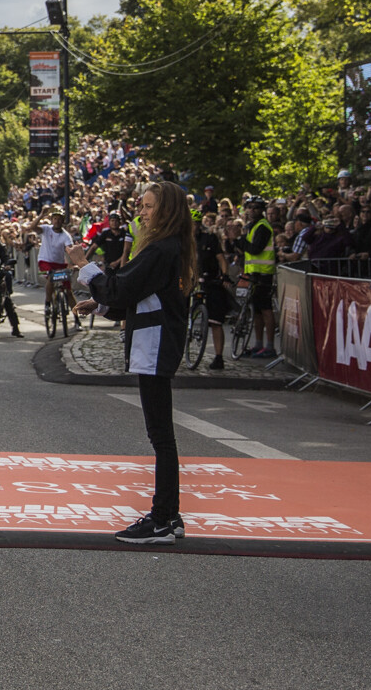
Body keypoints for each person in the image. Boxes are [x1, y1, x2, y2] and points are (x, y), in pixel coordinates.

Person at [70, 180, 197, 545]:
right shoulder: (170, 247)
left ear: (166, 210)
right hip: (155, 340)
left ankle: (161, 518)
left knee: (161, 436)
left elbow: (122, 288)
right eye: (141, 205)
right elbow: (135, 296)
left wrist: (84, 266)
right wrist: (102, 305)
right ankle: (169, 515)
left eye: (148, 206)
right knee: (162, 435)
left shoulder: (161, 248)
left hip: (154, 343)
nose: (142, 212)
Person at [235, 197, 278, 359]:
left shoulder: (263, 226)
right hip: (253, 272)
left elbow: (255, 249)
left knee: (266, 309)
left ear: (262, 210)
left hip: (264, 273)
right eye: (250, 207)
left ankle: (270, 346)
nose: (252, 210)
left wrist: (240, 240)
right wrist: (235, 241)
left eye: (256, 208)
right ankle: (258, 344)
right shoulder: (251, 226)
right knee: (257, 311)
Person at [195, 210, 232, 370]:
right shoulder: (182, 239)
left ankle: (218, 356)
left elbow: (221, 259)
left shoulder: (209, 238)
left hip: (210, 280)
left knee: (216, 320)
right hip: (191, 280)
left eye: (195, 224)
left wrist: (224, 275)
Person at [36, 212, 75, 326]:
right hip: (45, 261)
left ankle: (77, 318)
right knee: (51, 278)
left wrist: (73, 264)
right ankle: (48, 303)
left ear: (63, 221)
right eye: (55, 218)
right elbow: (32, 227)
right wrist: (41, 215)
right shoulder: (46, 229)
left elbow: (70, 250)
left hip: (59, 264)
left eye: (59, 219)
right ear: (52, 220)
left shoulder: (66, 235)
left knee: (69, 291)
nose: (57, 221)